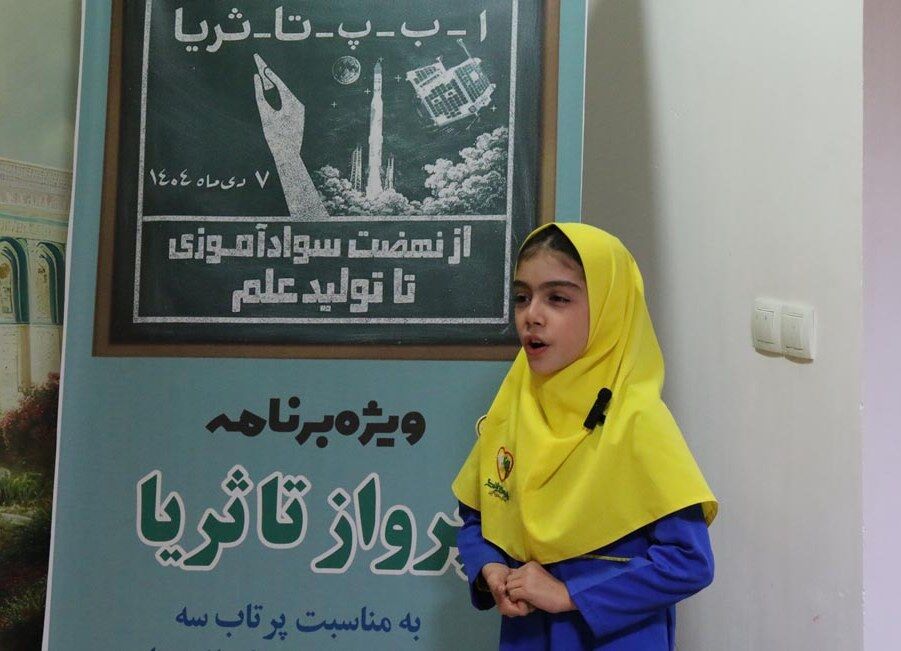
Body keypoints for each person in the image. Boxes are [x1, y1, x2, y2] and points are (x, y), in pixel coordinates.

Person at [452, 223, 718, 650]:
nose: (532, 315)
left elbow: (689, 562)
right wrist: (491, 568)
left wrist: (569, 595)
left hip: (613, 638)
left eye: (558, 298)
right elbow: (477, 516)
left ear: (610, 309)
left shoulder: (638, 420)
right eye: (522, 297)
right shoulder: (515, 405)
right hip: (527, 635)